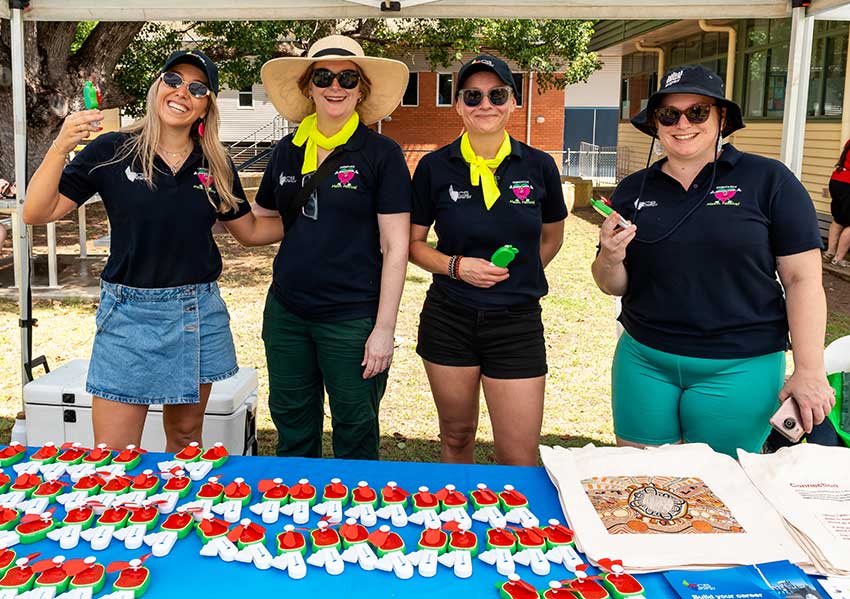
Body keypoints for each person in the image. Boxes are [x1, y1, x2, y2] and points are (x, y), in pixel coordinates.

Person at [23, 50, 283, 451]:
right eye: (173, 80)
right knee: (113, 452)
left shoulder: (215, 163)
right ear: (157, 86)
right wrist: (60, 147)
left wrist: (312, 220)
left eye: (197, 88)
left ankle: (180, 497)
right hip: (129, 314)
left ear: (206, 106)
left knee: (186, 439)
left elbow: (248, 231)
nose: (182, 92)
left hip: (198, 311)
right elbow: (37, 212)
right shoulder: (112, 150)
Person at [591, 64, 835, 458]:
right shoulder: (634, 189)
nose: (682, 124)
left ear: (722, 118)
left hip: (739, 365)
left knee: (721, 486)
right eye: (668, 114)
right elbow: (611, 284)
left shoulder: (769, 180)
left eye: (697, 112)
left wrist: (809, 369)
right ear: (655, 124)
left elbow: (802, 280)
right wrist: (610, 256)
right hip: (644, 359)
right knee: (643, 478)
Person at [255, 35, 411, 460]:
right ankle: (294, 503)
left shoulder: (382, 153)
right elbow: (263, 218)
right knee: (292, 425)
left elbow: (396, 246)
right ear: (309, 87)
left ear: (362, 90)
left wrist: (384, 330)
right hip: (287, 314)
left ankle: (354, 505)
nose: (335, 86)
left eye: (348, 78)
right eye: (323, 76)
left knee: (355, 428)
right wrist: (208, 203)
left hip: (352, 317)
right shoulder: (287, 151)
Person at [409, 55, 567, 466]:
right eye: (473, 96)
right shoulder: (434, 167)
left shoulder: (539, 166)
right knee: (456, 436)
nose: (485, 104)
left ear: (513, 101)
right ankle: (457, 509)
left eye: (497, 95)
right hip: (449, 318)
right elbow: (413, 244)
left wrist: (519, 276)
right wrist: (458, 267)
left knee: (518, 453)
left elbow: (552, 236)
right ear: (458, 105)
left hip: (517, 323)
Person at [825, 138, 850, 267]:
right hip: (848, 183)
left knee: (838, 219)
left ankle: (830, 253)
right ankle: (838, 259)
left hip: (837, 179)